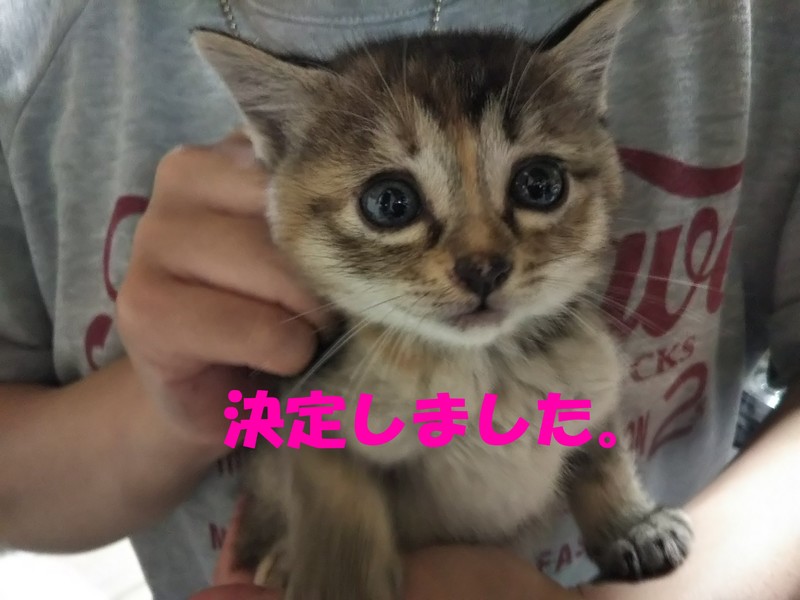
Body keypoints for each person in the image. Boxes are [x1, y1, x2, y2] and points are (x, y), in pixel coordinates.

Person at [0, 1, 798, 599]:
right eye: (394, 203)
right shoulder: (39, 49)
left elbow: (587, 434)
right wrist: (168, 410)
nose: (482, 260)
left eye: (535, 185)